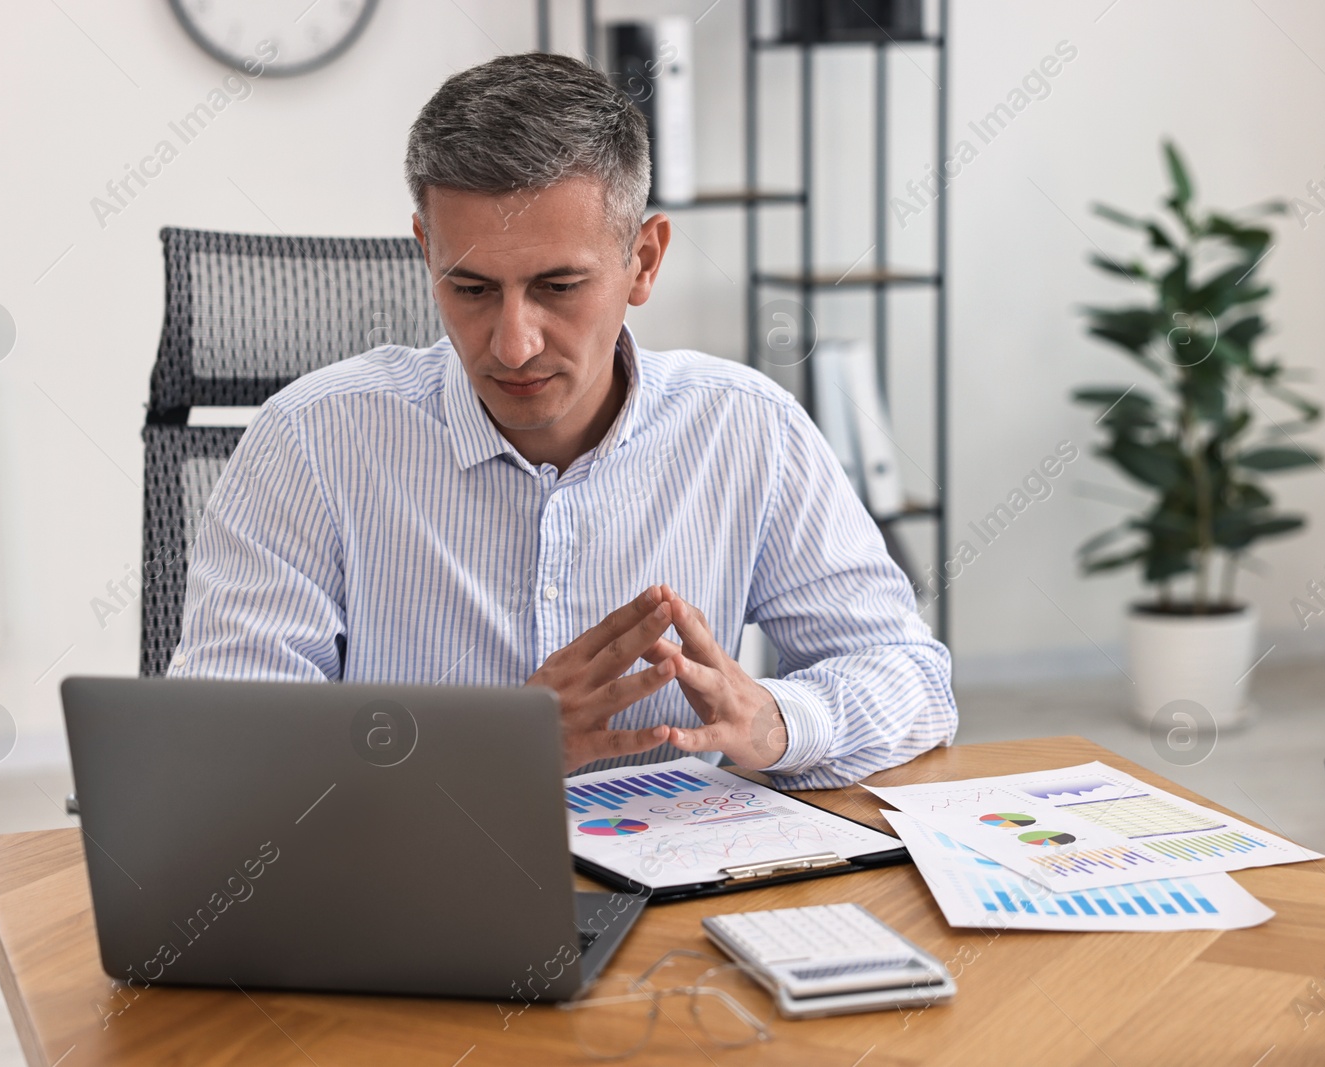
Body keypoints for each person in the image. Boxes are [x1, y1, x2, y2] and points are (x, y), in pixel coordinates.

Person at [168, 51, 956, 787]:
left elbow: (913, 680)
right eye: (471, 288)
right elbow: (215, 754)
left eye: (558, 286)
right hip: (409, 907)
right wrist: (495, 748)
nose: (513, 343)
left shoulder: (748, 430)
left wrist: (779, 720)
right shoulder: (309, 442)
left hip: (672, 899)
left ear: (643, 260)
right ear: (426, 251)